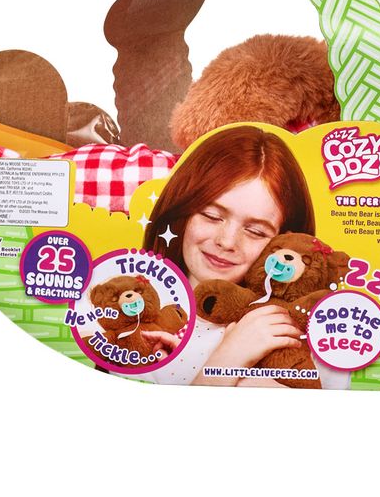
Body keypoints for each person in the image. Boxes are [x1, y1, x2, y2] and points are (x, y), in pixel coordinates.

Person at [142, 125, 338, 388]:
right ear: (182, 210)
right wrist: (228, 359)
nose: (226, 241)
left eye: (256, 232)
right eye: (211, 216)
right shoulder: (132, 315)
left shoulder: (308, 334)